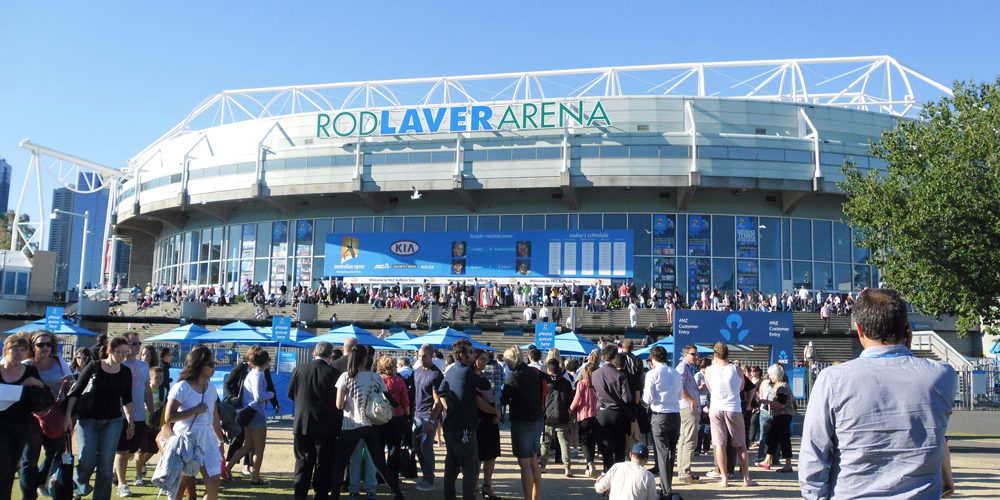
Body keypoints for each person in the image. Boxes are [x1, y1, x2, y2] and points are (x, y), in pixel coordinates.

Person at [799, 288, 958, 499]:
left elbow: (813, 457)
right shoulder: (942, 376)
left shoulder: (832, 380)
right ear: (907, 327)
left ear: (859, 329)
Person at [64, 336, 136, 500]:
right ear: (110, 351)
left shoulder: (125, 372)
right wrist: (68, 416)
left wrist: (131, 423)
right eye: (120, 352)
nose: (124, 356)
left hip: (113, 421)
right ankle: (78, 483)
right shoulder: (94, 366)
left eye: (126, 352)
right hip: (88, 420)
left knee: (105, 466)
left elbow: (127, 399)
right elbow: (75, 392)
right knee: (87, 460)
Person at [330, 345, 405, 500]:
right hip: (370, 424)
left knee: (341, 462)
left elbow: (339, 405)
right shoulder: (374, 377)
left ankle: (335, 495)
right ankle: (397, 494)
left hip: (350, 424)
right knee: (379, 463)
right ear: (365, 358)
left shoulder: (345, 377)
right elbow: (386, 396)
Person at [161, 345, 225, 500]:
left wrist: (220, 439)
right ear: (198, 365)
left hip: (207, 437)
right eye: (209, 364)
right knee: (181, 485)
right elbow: (168, 417)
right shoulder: (182, 387)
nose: (213, 367)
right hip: (187, 437)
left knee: (214, 478)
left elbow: (214, 416)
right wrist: (194, 410)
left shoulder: (210, 388)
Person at [19, 331, 73, 500]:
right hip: (31, 416)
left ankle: (41, 481)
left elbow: (72, 387)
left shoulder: (59, 362)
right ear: (32, 346)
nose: (46, 348)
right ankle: (29, 496)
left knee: (53, 454)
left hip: (55, 415)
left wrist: (69, 383)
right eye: (41, 344)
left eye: (49, 344)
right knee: (29, 459)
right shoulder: (26, 364)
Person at [287, 341, 340, 500]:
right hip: (327, 425)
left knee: (302, 461)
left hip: (302, 423)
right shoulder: (334, 373)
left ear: (313, 353)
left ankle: (300, 494)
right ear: (330, 356)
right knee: (323, 463)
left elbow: (291, 394)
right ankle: (321, 494)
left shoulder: (299, 370)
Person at [438, 339, 486, 500]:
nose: (474, 355)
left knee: (451, 464)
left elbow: (441, 390)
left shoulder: (451, 370)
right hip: (464, 426)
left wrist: (449, 407)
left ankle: (449, 496)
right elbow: (484, 385)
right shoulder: (467, 372)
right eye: (471, 352)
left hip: (450, 424)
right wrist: (478, 369)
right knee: (470, 466)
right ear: (461, 355)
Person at [1, 334, 46, 500]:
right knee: (3, 465)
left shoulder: (29, 371)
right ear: (5, 350)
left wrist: (37, 383)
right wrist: (20, 386)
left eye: (22, 350)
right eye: (15, 349)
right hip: (1, 425)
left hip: (21, 425)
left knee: (11, 466)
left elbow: (45, 392)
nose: (19, 353)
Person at [705, 342, 755, 488]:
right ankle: (746, 478)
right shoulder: (737, 370)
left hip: (716, 407)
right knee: (741, 445)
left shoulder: (709, 370)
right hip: (733, 408)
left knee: (719, 445)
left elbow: (710, 389)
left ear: (715, 354)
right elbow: (741, 388)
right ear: (728, 354)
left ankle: (724, 478)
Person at [226, 347, 274, 485]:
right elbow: (258, 396)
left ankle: (227, 469)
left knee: (247, 446)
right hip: (256, 413)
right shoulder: (259, 375)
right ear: (265, 362)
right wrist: (271, 394)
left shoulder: (251, 373)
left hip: (248, 413)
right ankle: (255, 478)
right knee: (259, 449)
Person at [501, 346, 544, 500]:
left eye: (507, 361)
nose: (506, 364)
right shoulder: (533, 372)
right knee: (533, 460)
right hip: (537, 418)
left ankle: (527, 498)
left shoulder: (513, 377)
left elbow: (504, 400)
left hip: (522, 420)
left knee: (525, 464)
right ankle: (535, 496)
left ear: (512, 360)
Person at [114, 332, 153, 496]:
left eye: (139, 343)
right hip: (121, 415)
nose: (138, 346)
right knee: (122, 450)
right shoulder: (118, 365)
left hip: (139, 414)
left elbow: (147, 389)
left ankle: (115, 469)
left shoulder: (143, 366)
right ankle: (122, 484)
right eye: (134, 344)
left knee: (135, 447)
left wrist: (152, 410)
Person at [642, 345, 683, 497]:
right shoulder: (676, 373)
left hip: (659, 415)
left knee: (662, 452)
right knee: (670, 452)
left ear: (653, 359)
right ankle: (667, 484)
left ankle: (666, 489)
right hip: (675, 415)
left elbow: (648, 398)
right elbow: (679, 395)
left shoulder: (652, 374)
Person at [591, 344, 631, 472]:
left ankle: (607, 477)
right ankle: (618, 477)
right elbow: (626, 398)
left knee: (606, 449)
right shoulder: (620, 375)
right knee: (619, 449)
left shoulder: (595, 374)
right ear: (615, 357)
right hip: (617, 413)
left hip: (602, 413)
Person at [410, 344, 443, 492]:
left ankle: (429, 479)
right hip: (416, 415)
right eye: (419, 355)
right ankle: (425, 475)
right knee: (417, 448)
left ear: (432, 356)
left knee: (426, 448)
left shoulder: (436, 375)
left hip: (428, 417)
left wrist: (431, 420)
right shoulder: (416, 371)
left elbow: (438, 402)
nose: (421, 358)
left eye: (424, 356)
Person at [473, 349, 502, 500]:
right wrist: (495, 412)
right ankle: (475, 488)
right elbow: (479, 403)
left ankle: (487, 486)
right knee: (478, 457)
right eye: (482, 359)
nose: (484, 362)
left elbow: (492, 398)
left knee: (492, 455)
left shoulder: (484, 378)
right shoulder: (471, 378)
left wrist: (497, 413)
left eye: (486, 359)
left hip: (491, 421)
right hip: (479, 421)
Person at [377, 355, 411, 485]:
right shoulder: (398, 381)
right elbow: (405, 401)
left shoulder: (377, 380)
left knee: (379, 447)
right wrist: (407, 415)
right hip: (397, 417)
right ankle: (392, 475)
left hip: (379, 417)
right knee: (394, 447)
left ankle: (379, 475)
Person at [756, 363, 794, 472]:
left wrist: (766, 401)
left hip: (783, 415)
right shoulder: (778, 385)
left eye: (770, 375)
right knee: (772, 437)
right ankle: (767, 460)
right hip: (778, 415)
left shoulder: (782, 387)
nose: (769, 377)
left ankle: (788, 464)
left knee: (784, 439)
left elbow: (782, 404)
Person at [539, 358, 573, 477]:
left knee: (545, 442)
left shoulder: (545, 383)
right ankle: (567, 467)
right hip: (562, 415)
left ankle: (542, 465)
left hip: (548, 416)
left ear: (548, 369)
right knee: (564, 443)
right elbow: (571, 399)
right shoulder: (566, 382)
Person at [675, 345, 701, 484]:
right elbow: (679, 387)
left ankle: (683, 471)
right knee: (689, 440)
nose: (695, 357)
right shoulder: (682, 368)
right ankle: (685, 472)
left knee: (686, 440)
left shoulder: (686, 368)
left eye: (696, 354)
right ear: (685, 354)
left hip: (688, 407)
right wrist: (691, 400)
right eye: (693, 354)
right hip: (688, 408)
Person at [136, 366, 166, 487]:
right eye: (156, 377)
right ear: (150, 378)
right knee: (141, 450)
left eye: (161, 377)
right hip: (143, 422)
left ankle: (142, 464)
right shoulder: (144, 389)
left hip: (156, 425)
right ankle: (138, 476)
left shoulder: (163, 390)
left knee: (154, 449)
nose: (159, 380)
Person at [569, 356, 599, 478]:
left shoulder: (581, 384)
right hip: (596, 415)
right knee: (592, 441)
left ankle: (589, 462)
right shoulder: (597, 384)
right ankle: (590, 464)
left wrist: (570, 409)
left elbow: (577, 399)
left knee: (584, 441)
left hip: (583, 415)